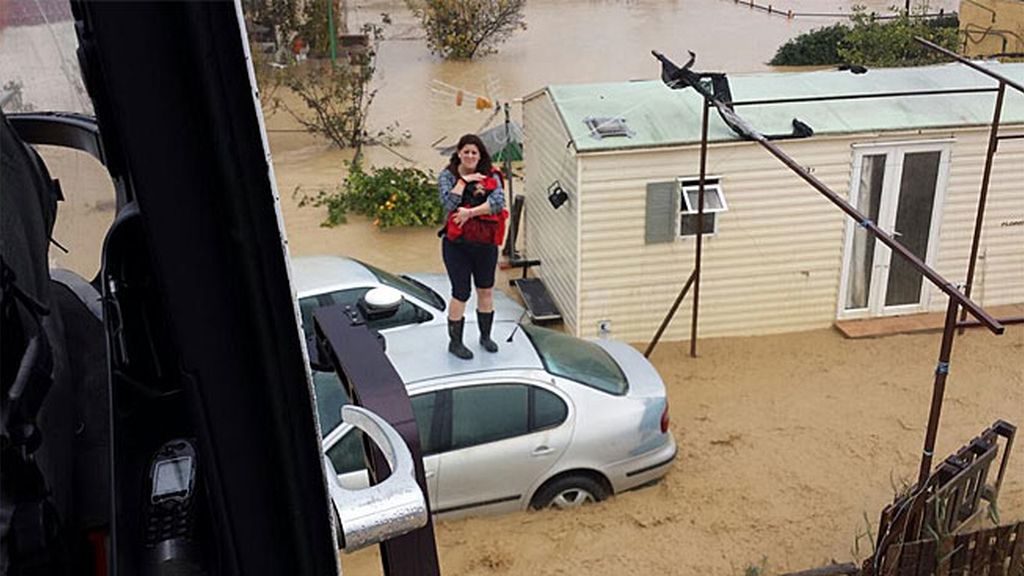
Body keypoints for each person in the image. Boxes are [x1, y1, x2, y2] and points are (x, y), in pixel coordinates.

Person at [438, 134, 507, 360]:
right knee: (461, 293)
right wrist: (463, 182)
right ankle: (455, 343)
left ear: (480, 155)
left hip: (485, 244)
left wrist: (470, 213)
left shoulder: (491, 174)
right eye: (466, 152)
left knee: (485, 290)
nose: (469, 156)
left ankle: (485, 337)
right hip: (456, 245)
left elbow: (498, 203)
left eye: (474, 152)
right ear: (459, 153)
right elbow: (448, 203)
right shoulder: (448, 176)